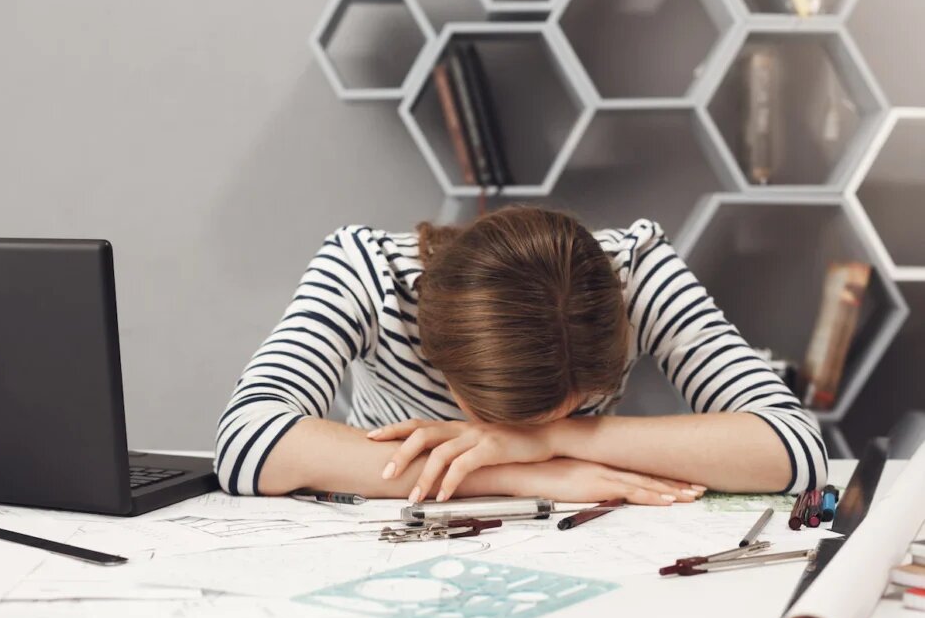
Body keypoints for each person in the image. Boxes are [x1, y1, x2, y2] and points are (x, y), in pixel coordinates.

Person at [215, 207, 826, 504]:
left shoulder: (633, 275)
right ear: (437, 348)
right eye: (491, 417)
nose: (505, 436)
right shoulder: (367, 273)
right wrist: (524, 475)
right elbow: (248, 443)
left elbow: (794, 449)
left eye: (567, 409)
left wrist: (560, 440)